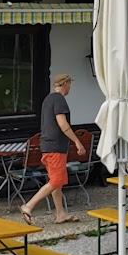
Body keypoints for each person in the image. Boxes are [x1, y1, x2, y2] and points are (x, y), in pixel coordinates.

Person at [21, 74, 86, 225]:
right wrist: (77, 141)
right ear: (65, 83)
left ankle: (60, 214)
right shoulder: (59, 99)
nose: (70, 87)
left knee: (56, 182)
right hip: (55, 147)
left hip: (48, 145)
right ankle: (28, 206)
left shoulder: (48, 99)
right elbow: (62, 124)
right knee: (57, 180)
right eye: (70, 84)